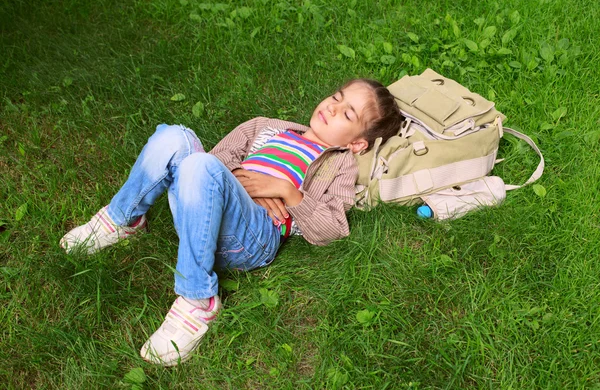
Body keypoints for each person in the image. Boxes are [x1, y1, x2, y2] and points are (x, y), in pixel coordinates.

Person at [59, 78, 404, 366]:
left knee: (199, 167)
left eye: (347, 113)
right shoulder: (266, 127)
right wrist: (243, 183)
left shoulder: (339, 166)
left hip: (252, 238)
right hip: (204, 211)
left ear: (358, 143)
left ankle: (198, 299)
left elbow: (331, 229)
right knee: (176, 137)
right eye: (336, 97)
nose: (331, 107)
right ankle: (124, 220)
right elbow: (219, 157)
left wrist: (285, 190)